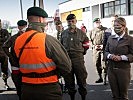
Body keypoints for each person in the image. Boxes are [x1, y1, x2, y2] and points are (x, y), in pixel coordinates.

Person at [13, 7, 72, 100]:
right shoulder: (48, 40)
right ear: (41, 19)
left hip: (27, 89)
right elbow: (66, 67)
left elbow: (15, 68)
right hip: (48, 89)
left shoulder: (17, 41)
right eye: (45, 19)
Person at [61, 14, 89, 100]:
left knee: (81, 79)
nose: (71, 23)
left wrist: (82, 53)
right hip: (67, 59)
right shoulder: (63, 33)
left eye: (73, 21)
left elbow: (86, 44)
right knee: (69, 80)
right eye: (69, 21)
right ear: (67, 22)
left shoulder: (81, 33)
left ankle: (83, 97)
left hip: (78, 59)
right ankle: (72, 97)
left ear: (76, 21)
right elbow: (61, 46)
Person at [104, 17, 133, 100]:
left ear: (124, 27)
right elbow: (105, 51)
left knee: (123, 95)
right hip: (111, 70)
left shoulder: (130, 39)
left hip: (123, 71)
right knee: (115, 95)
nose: (116, 28)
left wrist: (122, 58)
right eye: (114, 26)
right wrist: (110, 56)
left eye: (118, 26)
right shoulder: (110, 38)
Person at [3, 19, 27, 99]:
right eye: (21, 27)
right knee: (17, 79)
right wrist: (11, 56)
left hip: (27, 62)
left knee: (27, 80)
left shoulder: (29, 37)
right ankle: (20, 93)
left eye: (24, 26)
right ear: (18, 27)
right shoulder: (13, 38)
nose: (22, 28)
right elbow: (5, 47)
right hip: (15, 63)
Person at [89, 18, 107, 84]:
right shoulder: (91, 31)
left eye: (98, 22)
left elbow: (108, 39)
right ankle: (100, 77)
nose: (97, 23)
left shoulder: (105, 29)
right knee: (96, 63)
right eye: (96, 22)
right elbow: (89, 41)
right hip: (95, 50)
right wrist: (94, 46)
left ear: (100, 22)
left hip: (103, 49)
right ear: (94, 23)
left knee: (104, 64)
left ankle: (104, 78)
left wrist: (103, 45)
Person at [103, 15, 118, 85]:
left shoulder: (123, 29)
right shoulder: (107, 31)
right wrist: (105, 55)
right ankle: (107, 79)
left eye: (115, 20)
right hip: (110, 54)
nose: (113, 22)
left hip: (119, 54)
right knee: (109, 69)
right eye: (112, 21)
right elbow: (105, 43)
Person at [0, 19, 11, 90]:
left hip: (3, 55)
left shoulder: (4, 31)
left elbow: (7, 40)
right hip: (3, 53)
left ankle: (5, 83)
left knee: (5, 70)